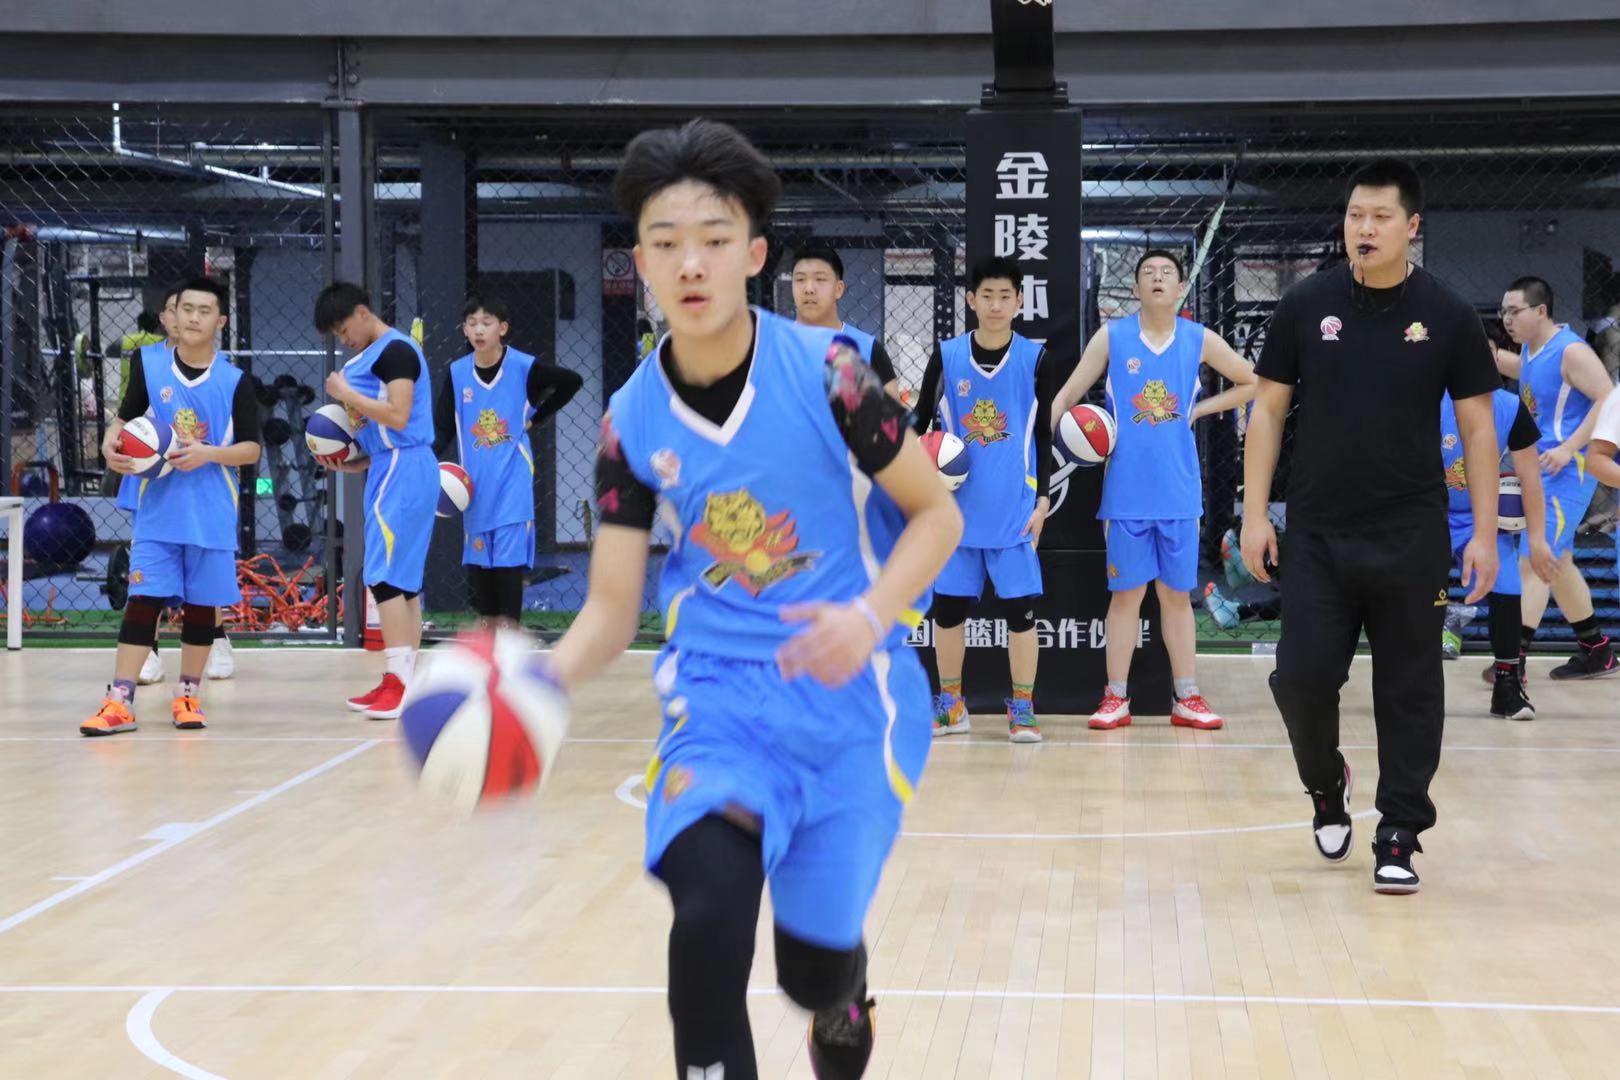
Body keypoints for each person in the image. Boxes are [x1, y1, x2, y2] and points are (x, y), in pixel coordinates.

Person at [547, 119, 960, 1080]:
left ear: (755, 255)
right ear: (640, 262)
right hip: (718, 704)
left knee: (812, 974)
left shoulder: (835, 374)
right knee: (706, 926)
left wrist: (868, 617)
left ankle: (842, 988)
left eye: (714, 238)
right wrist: (536, 678)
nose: (690, 263)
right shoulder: (628, 421)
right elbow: (610, 609)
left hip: (851, 700)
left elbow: (936, 514)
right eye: (665, 242)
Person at [1241, 158, 1502, 894]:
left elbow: (1479, 429)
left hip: (1411, 532)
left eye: (1381, 217)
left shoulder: (1448, 314)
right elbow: (1267, 410)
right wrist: (1255, 515)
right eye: (1356, 214)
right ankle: (1326, 786)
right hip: (1318, 534)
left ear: (1411, 227)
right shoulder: (1305, 305)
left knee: (1410, 687)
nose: (1365, 228)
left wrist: (1484, 533)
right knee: (1301, 677)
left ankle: (1399, 833)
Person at [1051, 248, 1257, 731]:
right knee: (1125, 597)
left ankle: (1187, 697)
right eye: (1148, 273)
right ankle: (1115, 698)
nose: (1158, 278)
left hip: (1179, 492)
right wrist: (1057, 432)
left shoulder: (1198, 338)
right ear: (1136, 288)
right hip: (1125, 493)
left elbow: (1253, 381)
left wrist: (1200, 409)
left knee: (1176, 597)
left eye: (1167, 273)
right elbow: (1068, 393)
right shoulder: (1113, 336)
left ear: (1181, 288)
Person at [82, 277, 261, 735]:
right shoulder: (149, 364)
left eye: (205, 311)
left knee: (201, 607)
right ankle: (120, 699)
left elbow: (251, 450)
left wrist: (208, 454)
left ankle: (187, 695)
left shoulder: (236, 381)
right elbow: (125, 418)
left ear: (221, 321)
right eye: (187, 309)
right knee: (143, 600)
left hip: (210, 510)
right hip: (159, 509)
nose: (194, 317)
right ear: (173, 315)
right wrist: (109, 442)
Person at [911, 255, 1053, 742]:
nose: (995, 304)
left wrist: (1043, 502)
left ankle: (1023, 708)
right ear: (971, 300)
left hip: (1014, 511)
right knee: (948, 612)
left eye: (1004, 296)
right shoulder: (948, 356)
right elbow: (919, 423)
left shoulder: (1036, 358)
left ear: (1019, 301)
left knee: (1021, 615)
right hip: (955, 514)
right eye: (986, 295)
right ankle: (951, 705)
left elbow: (1043, 435)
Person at [312, 281, 437, 720]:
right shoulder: (375, 356)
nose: (343, 338)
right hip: (395, 464)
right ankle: (407, 681)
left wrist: (346, 395)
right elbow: (390, 429)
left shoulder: (394, 351)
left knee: (383, 577)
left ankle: (396, 683)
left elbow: (399, 415)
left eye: (344, 328)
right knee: (402, 581)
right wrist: (357, 462)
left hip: (403, 466)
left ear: (362, 312)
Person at [1490, 277, 1617, 680]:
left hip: (1568, 471)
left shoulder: (1571, 351)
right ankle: (1596, 649)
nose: (1507, 319)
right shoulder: (1533, 350)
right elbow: (1523, 370)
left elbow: (1608, 398)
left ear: (1541, 310)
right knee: (1557, 561)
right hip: (1542, 468)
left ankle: (1513, 662)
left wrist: (1569, 447)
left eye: (1514, 311)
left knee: (1534, 559)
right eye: (1503, 312)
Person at [433, 293, 583, 625]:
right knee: (481, 561)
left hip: (512, 479)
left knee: (508, 561)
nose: (479, 330)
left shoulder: (523, 367)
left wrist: (537, 418)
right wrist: (427, 464)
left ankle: (510, 630)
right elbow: (443, 428)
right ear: (464, 330)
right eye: (472, 323)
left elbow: (572, 382)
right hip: (474, 483)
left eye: (486, 323)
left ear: (502, 328)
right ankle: (488, 629)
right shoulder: (457, 374)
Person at [1439, 379, 1556, 719]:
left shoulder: (1509, 407)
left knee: (1508, 583)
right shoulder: (1426, 395)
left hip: (1482, 514)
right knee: (1419, 589)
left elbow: (1530, 478)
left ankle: (1507, 683)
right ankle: (1413, 683)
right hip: (1428, 510)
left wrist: (1537, 539)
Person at [789, 245, 901, 398]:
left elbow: (891, 411)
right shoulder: (769, 346)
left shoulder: (868, 349)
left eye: (820, 279)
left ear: (839, 289)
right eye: (800, 279)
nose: (809, 289)